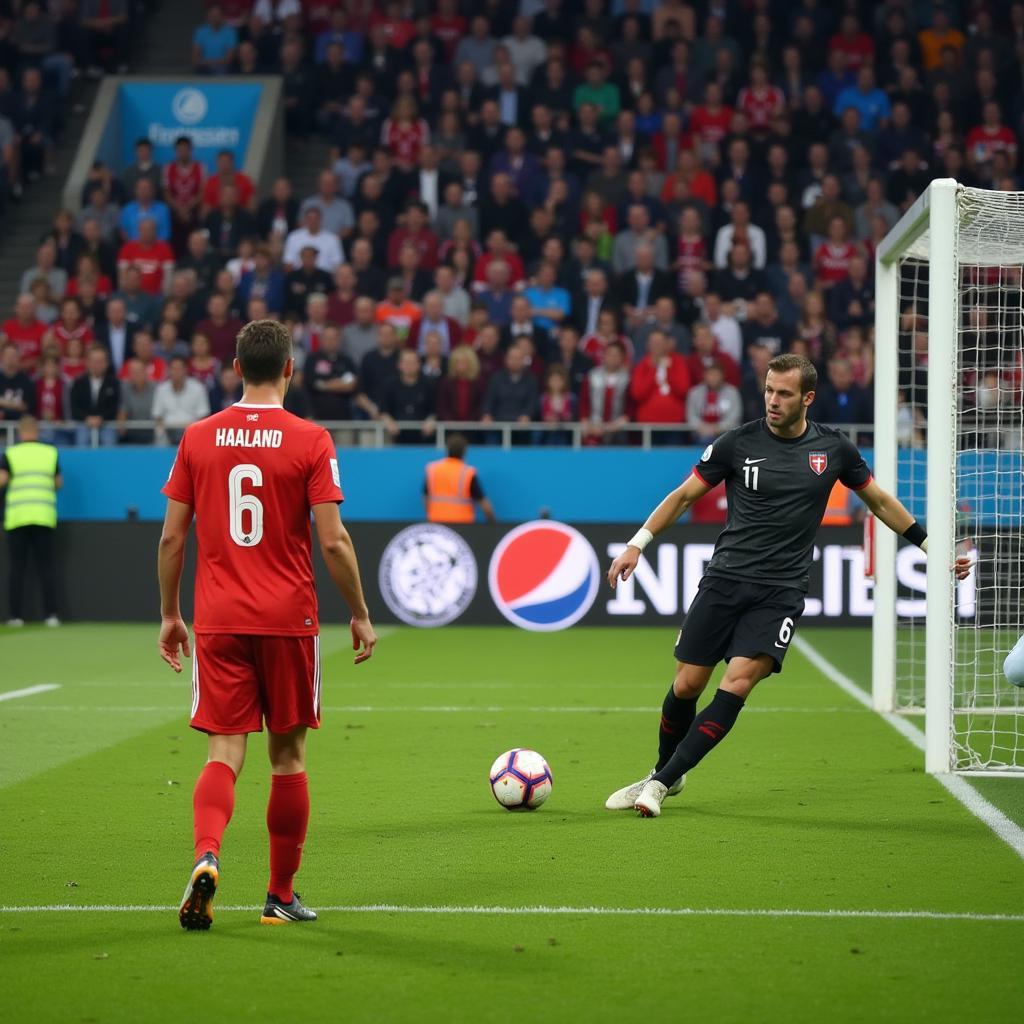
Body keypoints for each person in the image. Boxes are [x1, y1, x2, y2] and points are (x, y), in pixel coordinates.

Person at [604, 354, 973, 818]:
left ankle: (656, 785)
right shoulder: (736, 444)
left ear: (807, 398)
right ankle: (666, 771)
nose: (773, 401)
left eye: (784, 393)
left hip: (781, 591)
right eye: (768, 391)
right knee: (686, 684)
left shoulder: (834, 450)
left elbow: (878, 500)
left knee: (737, 683)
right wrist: (637, 544)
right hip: (724, 579)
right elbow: (682, 497)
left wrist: (931, 548)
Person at [158, 318, 377, 930]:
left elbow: (173, 536)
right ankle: (279, 895)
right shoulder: (311, 438)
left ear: (235, 369)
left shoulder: (198, 437)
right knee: (288, 757)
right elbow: (332, 541)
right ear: (289, 369)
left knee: (224, 749)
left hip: (220, 620)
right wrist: (358, 613)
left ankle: (207, 856)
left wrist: (172, 614)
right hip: (288, 620)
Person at [1, 415, 61, 626]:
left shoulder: (10, 453)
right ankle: (51, 615)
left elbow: (2, 480)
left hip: (17, 517)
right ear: (36, 431)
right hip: (43, 515)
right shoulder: (50, 453)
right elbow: (58, 483)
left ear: (20, 432)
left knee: (17, 568)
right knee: (47, 568)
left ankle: (16, 616)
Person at [423, 433, 495, 523]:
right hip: (462, 524)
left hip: (436, 522)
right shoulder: (468, 473)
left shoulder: (433, 469)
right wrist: (492, 521)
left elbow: (425, 497)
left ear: (447, 449)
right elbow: (484, 504)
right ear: (464, 451)